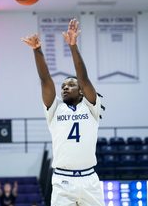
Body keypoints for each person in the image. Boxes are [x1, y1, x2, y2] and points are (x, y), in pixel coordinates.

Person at [22, 18, 105, 206]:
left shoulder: (91, 106)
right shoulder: (55, 108)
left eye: (71, 85)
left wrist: (73, 46)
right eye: (63, 86)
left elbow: (83, 77)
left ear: (81, 90)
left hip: (89, 179)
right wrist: (37, 50)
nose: (65, 88)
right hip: (63, 180)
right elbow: (45, 80)